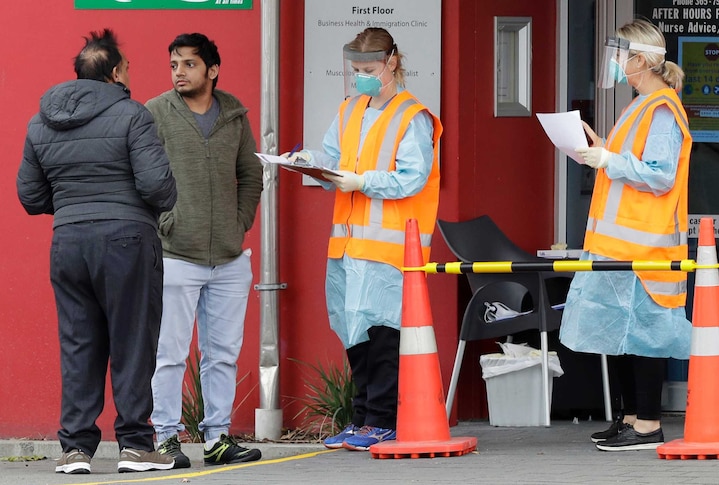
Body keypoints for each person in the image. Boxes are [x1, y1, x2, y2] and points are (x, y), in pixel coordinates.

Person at [16, 29, 177, 474]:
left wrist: (73, 205)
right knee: (132, 340)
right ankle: (136, 446)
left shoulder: (39, 121)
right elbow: (157, 187)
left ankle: (76, 450)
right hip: (126, 240)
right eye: (127, 67)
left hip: (68, 242)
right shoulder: (132, 114)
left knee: (78, 343)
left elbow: (30, 197)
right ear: (114, 73)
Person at [284, 27, 442, 452]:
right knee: (355, 336)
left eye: (368, 69)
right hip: (349, 246)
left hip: (389, 248)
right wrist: (307, 162)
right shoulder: (351, 109)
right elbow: (333, 159)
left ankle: (382, 420)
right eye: (356, 70)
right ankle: (361, 420)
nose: (361, 77)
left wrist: (360, 181)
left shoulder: (414, 117)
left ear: (391, 62)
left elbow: (412, 179)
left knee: (384, 339)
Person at [559, 19, 693, 452]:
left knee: (645, 338)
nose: (615, 64)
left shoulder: (661, 109)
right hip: (619, 245)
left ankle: (648, 425)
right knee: (620, 335)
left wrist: (607, 161)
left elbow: (659, 176)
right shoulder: (638, 106)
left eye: (620, 55)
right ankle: (631, 418)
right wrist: (603, 152)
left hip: (647, 245)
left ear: (641, 60)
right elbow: (628, 165)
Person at [146, 32, 263, 467]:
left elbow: (251, 174)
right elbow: (141, 175)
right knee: (169, 354)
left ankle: (217, 437)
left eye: (189, 64)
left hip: (230, 259)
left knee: (222, 355)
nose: (179, 72)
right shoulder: (155, 112)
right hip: (175, 254)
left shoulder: (233, 115)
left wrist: (240, 223)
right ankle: (166, 438)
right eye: (174, 64)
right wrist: (165, 223)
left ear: (212, 70)